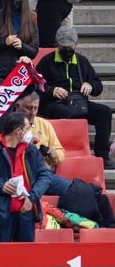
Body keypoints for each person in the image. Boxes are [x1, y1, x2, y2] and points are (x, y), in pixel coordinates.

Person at [38, 26, 112, 169]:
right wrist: (51, 90)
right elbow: (35, 87)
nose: (66, 49)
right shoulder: (46, 62)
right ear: (57, 44)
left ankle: (102, 154)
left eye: (70, 46)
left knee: (104, 112)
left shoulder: (82, 61)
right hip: (54, 103)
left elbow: (98, 86)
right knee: (66, 113)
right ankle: (65, 153)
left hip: (79, 102)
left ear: (76, 44)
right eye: (63, 46)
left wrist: (90, 85)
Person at [0, 111, 53, 242]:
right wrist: (1, 186)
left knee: (25, 258)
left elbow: (46, 175)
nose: (30, 132)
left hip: (26, 213)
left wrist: (32, 196)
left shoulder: (31, 150)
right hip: (0, 214)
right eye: (28, 128)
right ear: (18, 131)